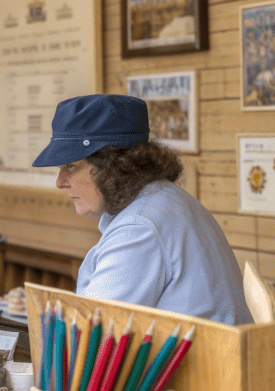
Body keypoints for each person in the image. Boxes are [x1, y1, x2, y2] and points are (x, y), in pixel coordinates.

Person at [32, 94, 252, 325]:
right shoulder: (164, 200)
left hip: (200, 361)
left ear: (112, 166)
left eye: (71, 165)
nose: (60, 182)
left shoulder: (139, 228)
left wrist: (42, 313)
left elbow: (90, 332)